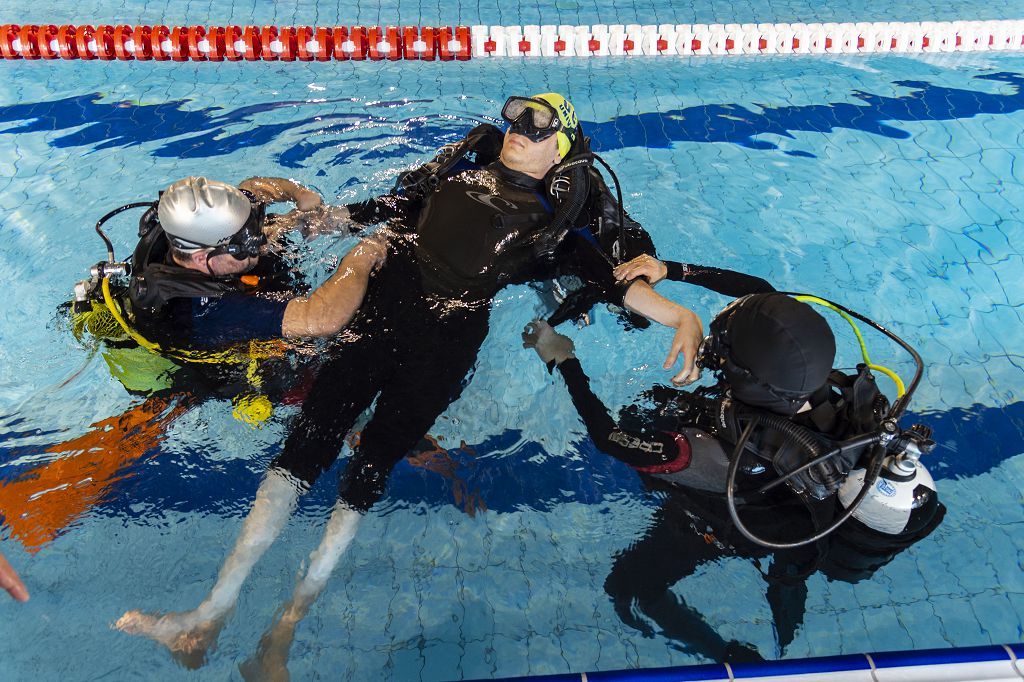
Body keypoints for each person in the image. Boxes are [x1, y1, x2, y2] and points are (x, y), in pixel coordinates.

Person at [115, 93, 705, 674]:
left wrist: (679, 314)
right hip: (376, 314)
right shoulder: (460, 169)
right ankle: (211, 611)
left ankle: (286, 626)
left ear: (563, 151)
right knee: (302, 451)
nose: (520, 128)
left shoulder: (556, 226)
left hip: (443, 348)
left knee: (369, 470)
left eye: (540, 124)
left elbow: (614, 281)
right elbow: (392, 205)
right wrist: (323, 219)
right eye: (516, 115)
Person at [523, 269, 945, 662]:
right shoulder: (818, 379)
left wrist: (563, 358)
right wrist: (670, 269)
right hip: (806, 517)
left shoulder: (701, 454)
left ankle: (728, 657)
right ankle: (789, 592)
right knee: (789, 570)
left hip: (720, 529)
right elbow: (761, 291)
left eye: (724, 346)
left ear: (743, 377)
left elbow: (609, 438)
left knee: (627, 590)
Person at [0, 176, 378, 554]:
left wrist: (300, 196)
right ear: (203, 258)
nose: (260, 240)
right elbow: (324, 317)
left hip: (172, 321)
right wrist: (362, 256)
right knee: (331, 391)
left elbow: (255, 186)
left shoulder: (191, 232)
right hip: (201, 364)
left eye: (254, 229)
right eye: (247, 243)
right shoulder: (207, 310)